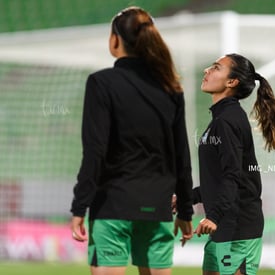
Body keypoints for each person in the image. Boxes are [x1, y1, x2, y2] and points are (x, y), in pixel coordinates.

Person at [70, 6, 194, 275]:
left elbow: (95, 152)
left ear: (115, 40)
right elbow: (181, 157)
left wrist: (80, 205)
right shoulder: (171, 89)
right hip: (158, 207)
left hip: (113, 205)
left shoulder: (101, 83)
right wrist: (185, 210)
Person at [193, 53, 275, 275]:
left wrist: (213, 216)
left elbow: (233, 176)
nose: (206, 71)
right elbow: (219, 179)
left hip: (238, 228)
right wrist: (187, 198)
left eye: (216, 68)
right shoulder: (220, 119)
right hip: (224, 225)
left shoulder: (228, 120)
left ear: (231, 82)